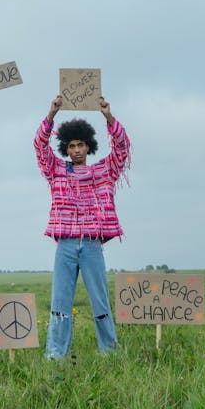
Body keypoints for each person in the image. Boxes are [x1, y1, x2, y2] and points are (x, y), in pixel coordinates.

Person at [34, 94, 131, 359]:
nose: (76, 150)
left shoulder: (104, 171)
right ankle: (55, 354)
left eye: (81, 145)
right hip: (65, 244)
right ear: (66, 148)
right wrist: (51, 114)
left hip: (91, 244)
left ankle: (109, 352)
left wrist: (108, 117)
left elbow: (122, 149)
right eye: (72, 146)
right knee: (60, 302)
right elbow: (40, 148)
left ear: (89, 147)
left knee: (100, 300)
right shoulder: (56, 171)